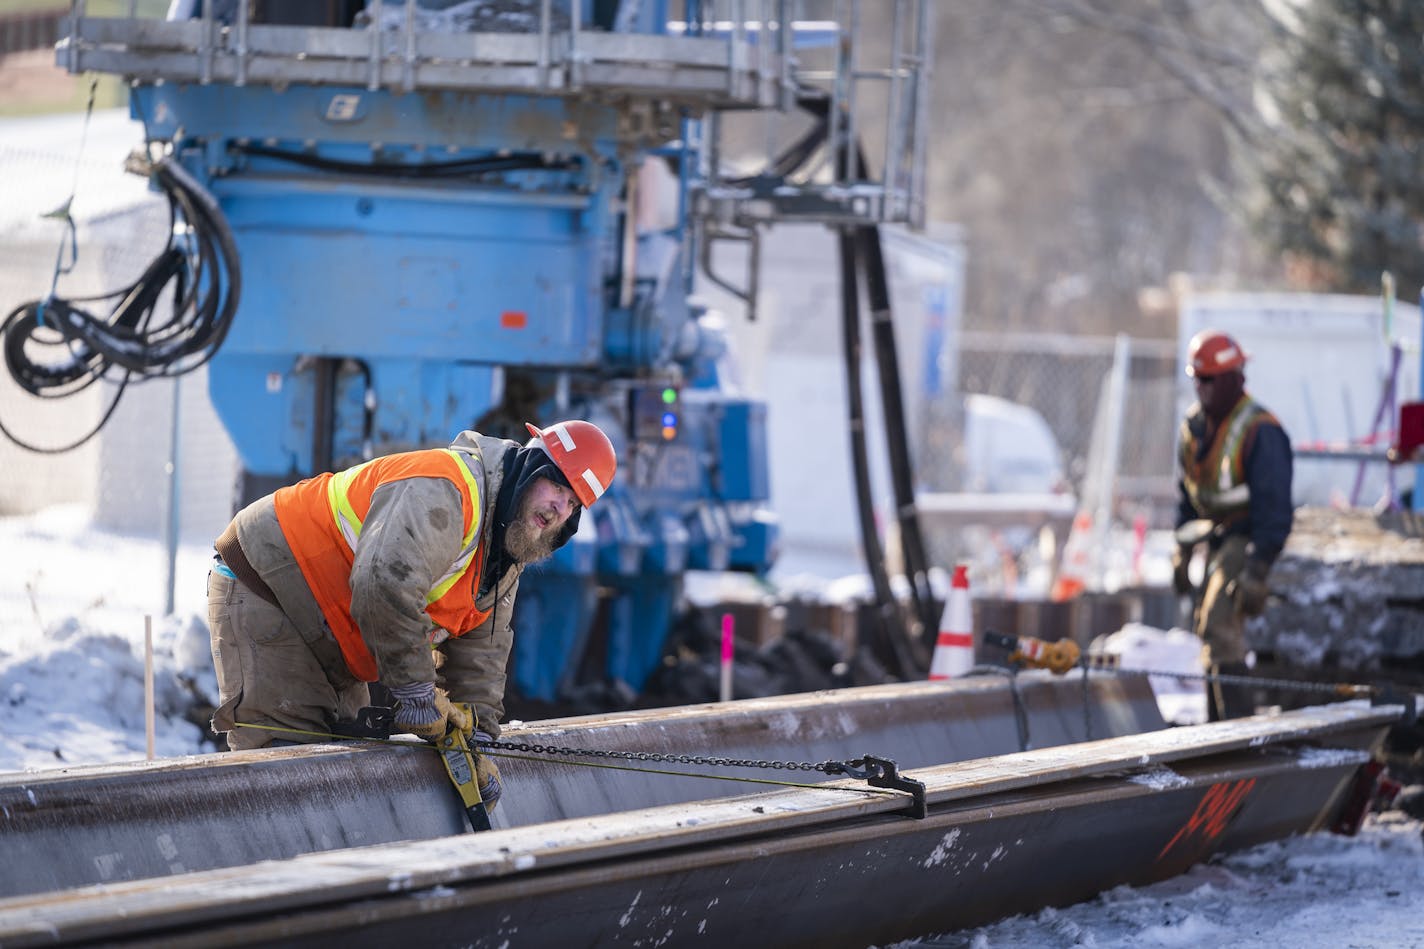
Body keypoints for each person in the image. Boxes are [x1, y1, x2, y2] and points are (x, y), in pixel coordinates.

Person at [206, 419, 617, 806]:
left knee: (335, 769)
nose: (558, 508)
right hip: (272, 586)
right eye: (557, 486)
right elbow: (383, 583)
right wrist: (418, 693)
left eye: (572, 502)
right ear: (531, 468)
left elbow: (483, 653)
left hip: (331, 627)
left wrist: (478, 741)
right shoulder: (448, 489)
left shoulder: (504, 553)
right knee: (287, 780)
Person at [1172, 330, 1293, 720]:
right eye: (1197, 378)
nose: (1201, 388)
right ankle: (1215, 732)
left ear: (1233, 378)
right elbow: (1188, 496)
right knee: (1205, 629)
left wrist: (1257, 572)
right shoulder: (1194, 430)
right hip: (1216, 539)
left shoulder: (1260, 430)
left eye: (1208, 379)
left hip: (1246, 536)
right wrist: (1182, 553)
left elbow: (1274, 511)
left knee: (1221, 628)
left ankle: (1236, 738)